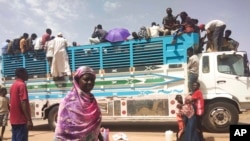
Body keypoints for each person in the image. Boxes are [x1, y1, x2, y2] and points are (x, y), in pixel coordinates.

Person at [55, 66, 103, 141]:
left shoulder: (92, 101)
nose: (90, 82)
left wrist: (101, 138)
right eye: (86, 79)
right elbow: (61, 131)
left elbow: (94, 126)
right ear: (77, 80)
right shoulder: (67, 102)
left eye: (92, 80)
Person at [9, 68, 33, 141]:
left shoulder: (13, 85)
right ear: (21, 74)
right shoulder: (22, 85)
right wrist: (28, 119)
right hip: (21, 119)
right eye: (26, 73)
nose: (27, 75)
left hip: (14, 119)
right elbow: (23, 102)